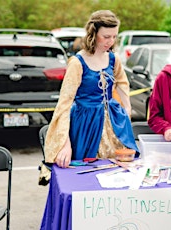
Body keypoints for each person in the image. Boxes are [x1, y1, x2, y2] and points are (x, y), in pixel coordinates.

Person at [43, 10, 138, 169]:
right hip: (86, 123)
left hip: (114, 120)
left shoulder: (113, 58)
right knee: (88, 169)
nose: (111, 41)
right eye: (106, 37)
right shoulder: (77, 63)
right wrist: (65, 144)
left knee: (120, 169)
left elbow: (122, 82)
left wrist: (127, 108)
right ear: (93, 34)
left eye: (114, 36)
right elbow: (64, 106)